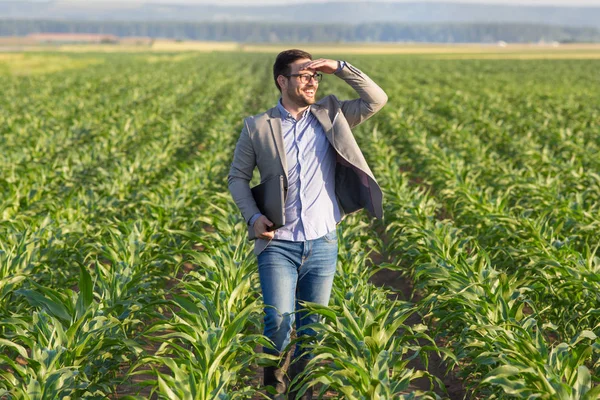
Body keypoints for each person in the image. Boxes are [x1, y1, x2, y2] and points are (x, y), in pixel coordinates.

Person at [227, 49, 387, 399]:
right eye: (303, 74)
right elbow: (237, 177)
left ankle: (304, 391)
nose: (312, 80)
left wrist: (340, 68)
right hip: (278, 244)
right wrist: (253, 218)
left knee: (313, 330)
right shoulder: (258, 127)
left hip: (322, 241)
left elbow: (377, 99)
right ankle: (274, 390)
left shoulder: (332, 114)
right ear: (282, 81)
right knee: (279, 326)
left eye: (316, 75)